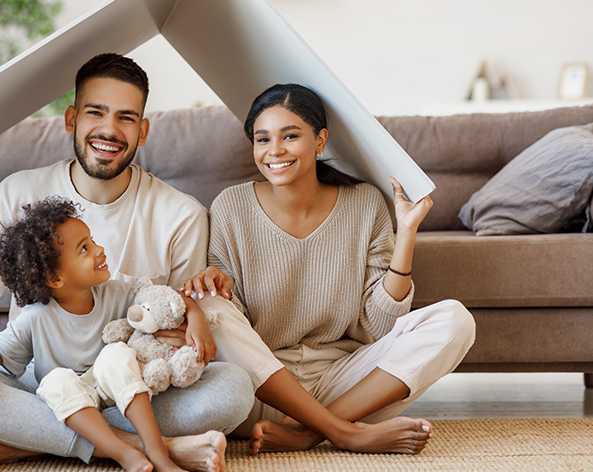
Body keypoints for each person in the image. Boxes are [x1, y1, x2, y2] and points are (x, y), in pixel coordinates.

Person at [0, 54, 253, 471]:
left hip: (132, 390)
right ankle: (150, 447)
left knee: (234, 390)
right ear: (71, 118)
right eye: (96, 112)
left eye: (126, 118)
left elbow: (176, 326)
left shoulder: (182, 214)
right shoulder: (18, 192)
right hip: (41, 384)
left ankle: (30, 442)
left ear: (143, 130)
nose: (109, 130)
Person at [180, 83, 476, 455]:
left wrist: (407, 231)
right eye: (263, 139)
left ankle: (307, 432)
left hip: (346, 384)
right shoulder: (230, 207)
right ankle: (346, 433)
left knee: (455, 320)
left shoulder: (365, 203)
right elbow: (232, 326)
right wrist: (215, 288)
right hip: (263, 387)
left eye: (290, 136)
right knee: (210, 308)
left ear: (320, 141)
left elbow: (380, 326)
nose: (274, 151)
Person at [0, 196, 218, 472]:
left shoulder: (115, 292)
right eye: (84, 248)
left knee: (117, 354)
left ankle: (157, 453)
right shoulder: (35, 317)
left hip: (121, 395)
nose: (99, 249)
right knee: (51, 382)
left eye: (92, 240)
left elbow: (164, 298)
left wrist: (196, 317)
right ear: (55, 279)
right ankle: (125, 453)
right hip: (73, 406)